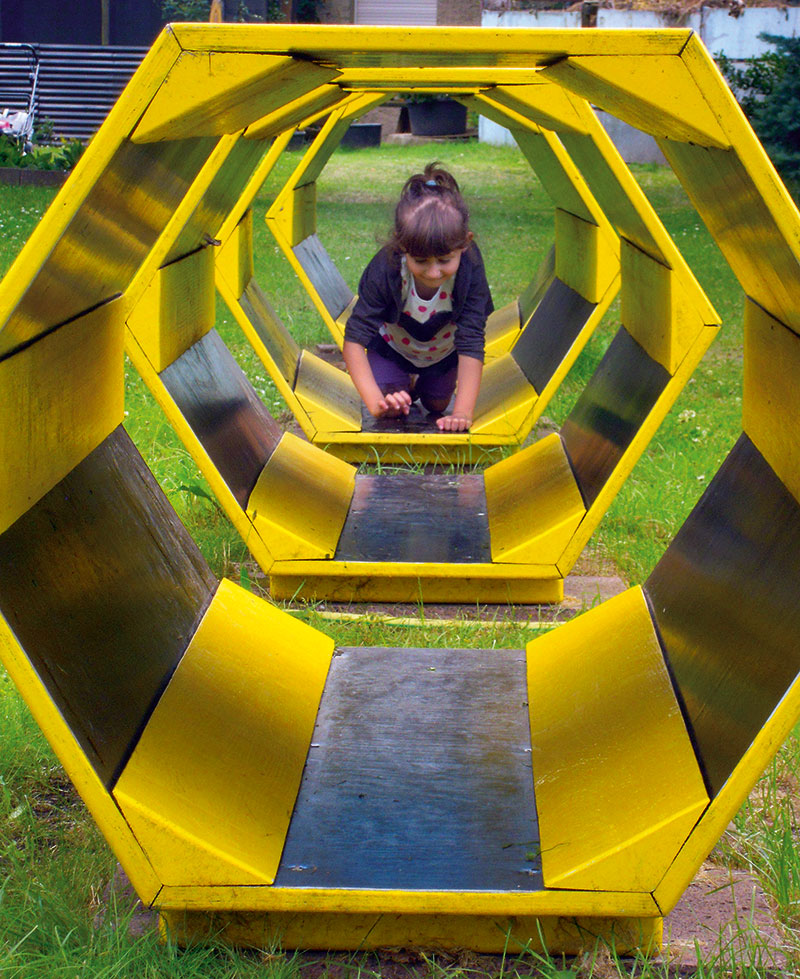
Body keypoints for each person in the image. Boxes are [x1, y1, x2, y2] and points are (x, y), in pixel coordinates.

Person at [343, 162, 493, 432]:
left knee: (437, 405)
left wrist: (462, 413)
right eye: (421, 260)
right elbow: (354, 339)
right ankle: (400, 383)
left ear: (465, 243)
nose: (434, 272)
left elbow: (472, 340)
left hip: (442, 352)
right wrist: (376, 401)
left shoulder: (470, 268)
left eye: (445, 260)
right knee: (394, 408)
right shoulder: (386, 269)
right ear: (403, 247)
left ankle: (423, 383)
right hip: (392, 347)